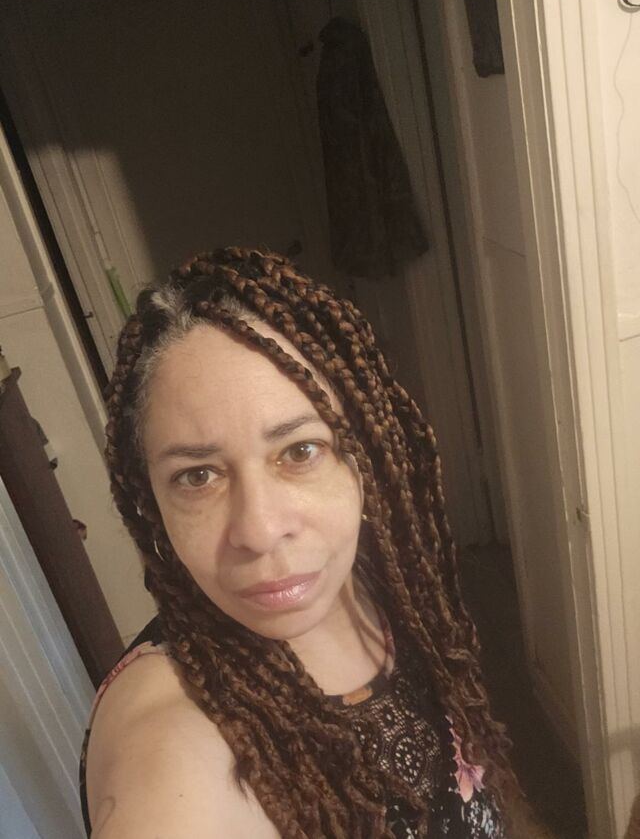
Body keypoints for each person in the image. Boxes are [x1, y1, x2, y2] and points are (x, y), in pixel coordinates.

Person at [79, 246, 530, 838]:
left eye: (300, 451)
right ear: (152, 505)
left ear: (362, 458)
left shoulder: (385, 585)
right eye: (198, 475)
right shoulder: (170, 754)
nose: (261, 531)